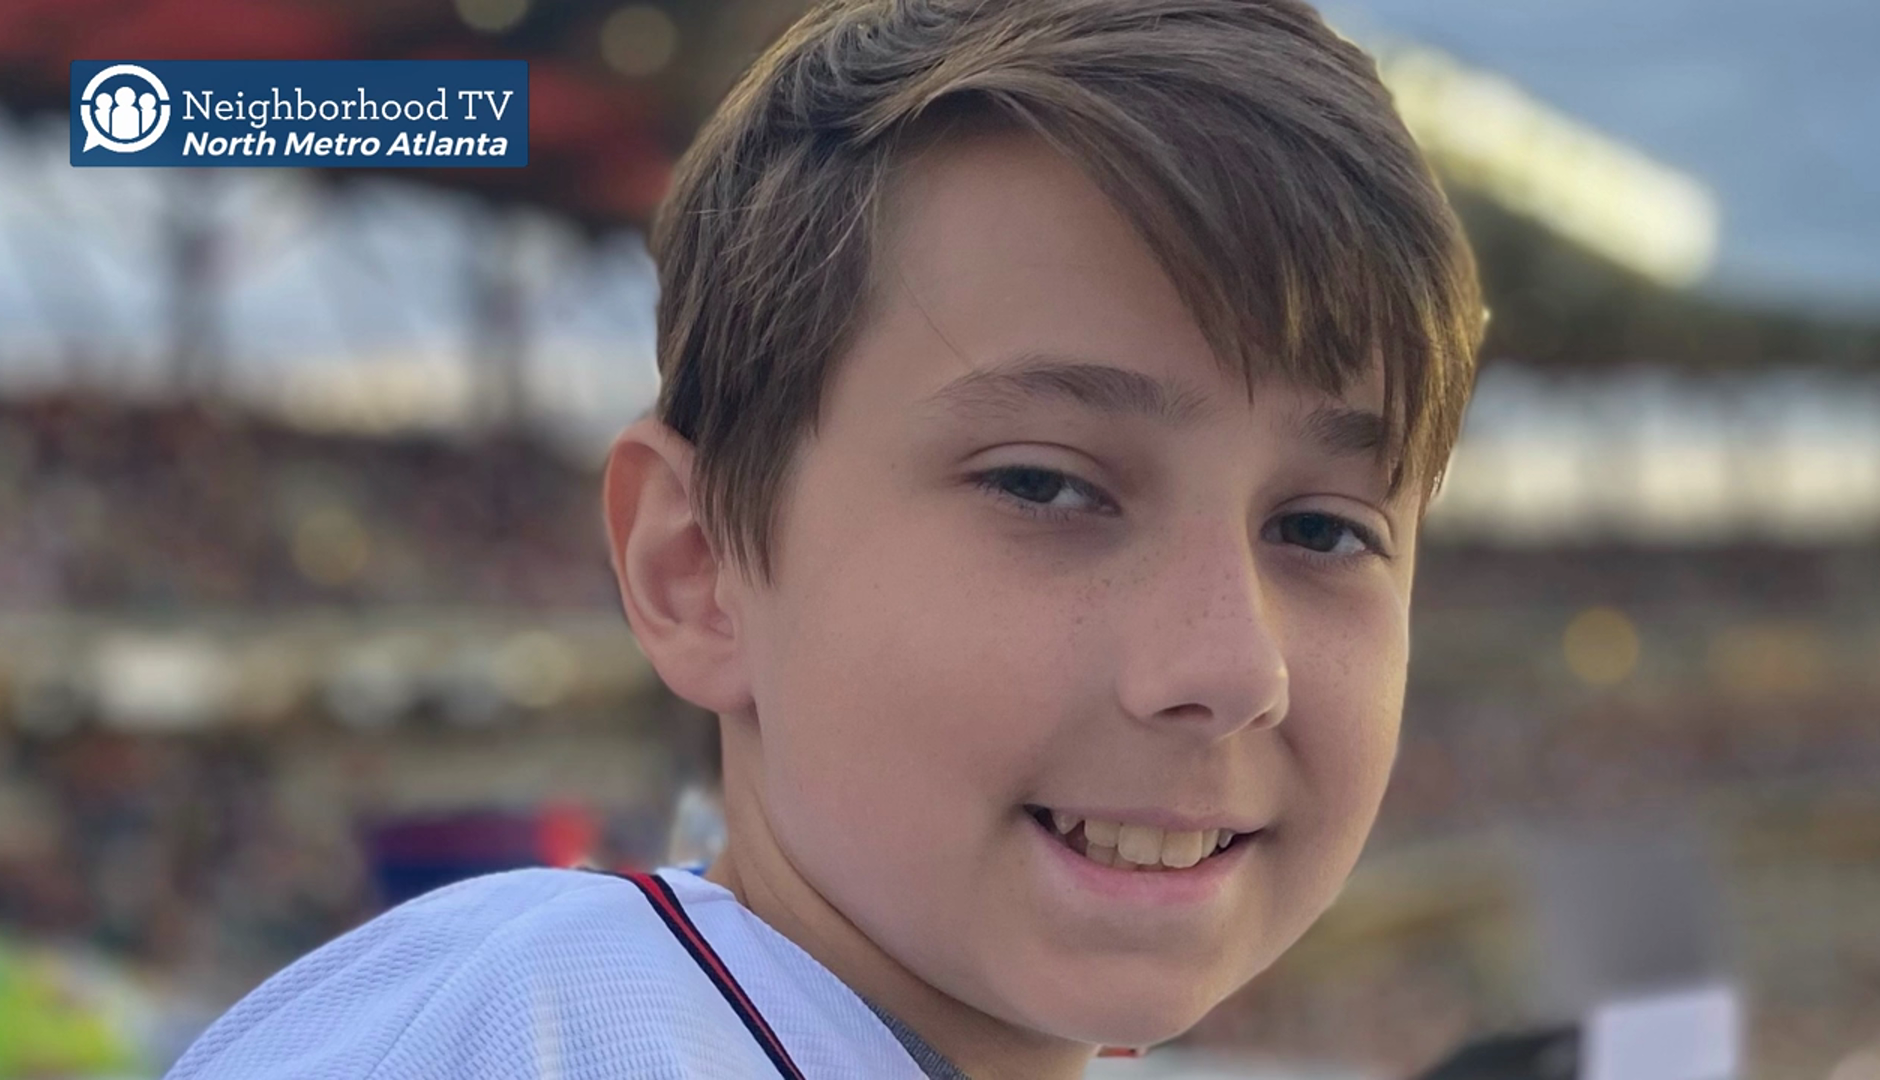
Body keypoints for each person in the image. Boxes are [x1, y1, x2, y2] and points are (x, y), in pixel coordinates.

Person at [164, 0, 1484, 1076]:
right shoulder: (541, 1039)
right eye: (1044, 487)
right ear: (697, 569)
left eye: (1323, 528)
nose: (1234, 666)